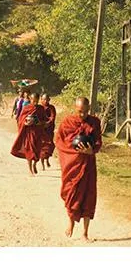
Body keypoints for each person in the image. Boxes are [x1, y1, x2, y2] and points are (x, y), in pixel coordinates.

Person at [55, 96, 102, 241]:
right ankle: (71, 224)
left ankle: (85, 233)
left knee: (88, 197)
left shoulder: (94, 122)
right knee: (72, 194)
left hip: (88, 165)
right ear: (75, 108)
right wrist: (72, 153)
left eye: (86, 112)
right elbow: (59, 141)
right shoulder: (68, 123)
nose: (83, 115)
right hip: (73, 165)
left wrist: (91, 150)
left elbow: (98, 142)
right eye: (80, 111)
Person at [10, 91, 46, 175]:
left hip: (38, 132)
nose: (35, 102)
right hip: (29, 133)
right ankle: (30, 169)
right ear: (30, 99)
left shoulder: (41, 109)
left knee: (37, 151)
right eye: (34, 100)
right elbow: (21, 120)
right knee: (29, 150)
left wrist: (39, 123)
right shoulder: (26, 108)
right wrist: (25, 123)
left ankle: (34, 164)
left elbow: (44, 120)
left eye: (37, 101)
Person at [38, 93, 56, 170]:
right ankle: (42, 164)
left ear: (49, 100)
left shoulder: (51, 108)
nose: (45, 101)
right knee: (42, 147)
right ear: (41, 100)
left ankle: (47, 159)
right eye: (44, 99)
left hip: (49, 130)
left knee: (50, 145)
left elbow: (52, 117)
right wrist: (40, 123)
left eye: (47, 99)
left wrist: (48, 123)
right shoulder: (39, 108)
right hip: (41, 130)